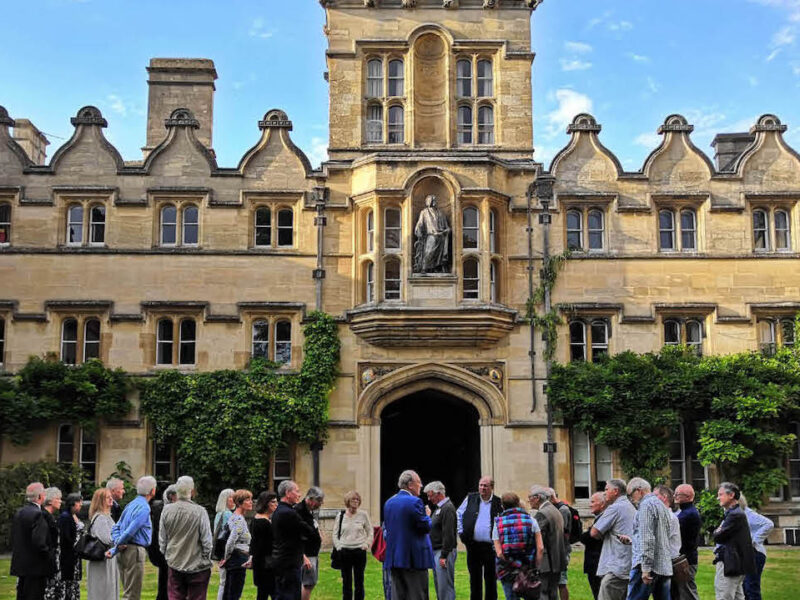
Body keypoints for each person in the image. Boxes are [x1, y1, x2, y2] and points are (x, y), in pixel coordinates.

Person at [384, 469, 435, 600]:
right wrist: (428, 516)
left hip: (395, 559)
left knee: (398, 595)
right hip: (414, 560)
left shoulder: (389, 503)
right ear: (410, 484)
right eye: (419, 482)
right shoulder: (415, 502)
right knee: (417, 595)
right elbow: (425, 527)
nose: (421, 486)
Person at [160, 476, 213, 600]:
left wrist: (167, 554)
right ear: (192, 491)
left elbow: (162, 539)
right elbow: (207, 541)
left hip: (175, 561)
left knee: (175, 596)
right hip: (197, 564)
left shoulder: (166, 510)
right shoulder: (200, 512)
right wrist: (205, 557)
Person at [109, 475, 157, 600]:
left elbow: (116, 527)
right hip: (134, 550)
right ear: (152, 491)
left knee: (127, 590)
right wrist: (115, 547)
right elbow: (130, 531)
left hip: (123, 549)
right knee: (132, 594)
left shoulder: (130, 504)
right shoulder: (144, 508)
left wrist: (116, 542)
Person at [623, 478, 672, 600]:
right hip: (664, 565)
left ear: (639, 491)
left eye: (630, 495)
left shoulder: (645, 506)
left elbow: (648, 538)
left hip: (646, 566)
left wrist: (645, 569)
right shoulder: (661, 505)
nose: (631, 499)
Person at [457, 475, 503, 600]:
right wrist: (461, 533)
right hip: (473, 546)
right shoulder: (470, 498)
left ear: (491, 488)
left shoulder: (498, 502)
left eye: (485, 486)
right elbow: (459, 514)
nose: (482, 488)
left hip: (490, 548)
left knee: (491, 580)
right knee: (474, 578)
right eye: (481, 485)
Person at [589, 478, 635, 600]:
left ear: (616, 491)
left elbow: (594, 532)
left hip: (616, 567)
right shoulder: (630, 506)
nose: (604, 493)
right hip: (628, 564)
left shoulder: (615, 508)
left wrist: (603, 533)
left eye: (606, 489)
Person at [492, 492, 542, 600]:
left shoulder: (498, 523)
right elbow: (540, 548)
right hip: (528, 567)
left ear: (502, 506)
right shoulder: (532, 521)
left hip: (507, 569)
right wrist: (536, 566)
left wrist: (513, 563)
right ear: (518, 504)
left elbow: (499, 552)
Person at [713, 482, 756, 600]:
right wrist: (719, 531)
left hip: (731, 563)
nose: (718, 498)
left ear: (731, 495)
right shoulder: (735, 514)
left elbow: (718, 536)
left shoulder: (735, 515)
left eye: (720, 494)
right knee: (737, 595)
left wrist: (718, 531)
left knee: (724, 594)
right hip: (737, 563)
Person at [272, 481, 315, 600]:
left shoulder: (278, 511)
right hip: (288, 564)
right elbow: (309, 531)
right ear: (287, 493)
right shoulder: (288, 513)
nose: (299, 494)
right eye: (297, 491)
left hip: (283, 561)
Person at [10, 482, 52, 600]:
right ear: (39, 497)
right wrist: (48, 554)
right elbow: (39, 542)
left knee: (22, 594)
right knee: (35, 595)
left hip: (21, 564)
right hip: (36, 566)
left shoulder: (19, 512)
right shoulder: (38, 514)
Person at [528, 485, 567, 600]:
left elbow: (537, 539)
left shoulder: (542, 513)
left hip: (547, 561)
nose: (529, 500)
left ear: (537, 497)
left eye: (530, 497)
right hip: (557, 559)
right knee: (553, 592)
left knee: (543, 593)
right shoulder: (554, 510)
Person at [332, 490, 372, 600]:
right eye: (353, 499)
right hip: (344, 552)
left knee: (359, 581)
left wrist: (366, 544)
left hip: (359, 551)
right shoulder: (340, 516)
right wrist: (339, 547)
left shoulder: (363, 514)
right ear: (347, 501)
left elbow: (370, 532)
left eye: (357, 500)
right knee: (346, 581)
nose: (356, 501)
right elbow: (335, 534)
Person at [424, 482, 457, 600]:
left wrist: (444, 555)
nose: (429, 499)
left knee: (445, 588)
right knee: (440, 586)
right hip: (437, 552)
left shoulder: (447, 508)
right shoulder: (440, 508)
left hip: (443, 552)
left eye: (430, 495)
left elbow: (448, 534)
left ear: (438, 494)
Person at [739, 493, 774, 600]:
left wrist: (755, 540)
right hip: (744, 555)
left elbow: (768, 524)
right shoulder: (735, 514)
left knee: (751, 587)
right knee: (744, 588)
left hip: (755, 554)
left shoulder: (748, 514)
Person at [86, 488, 119, 600]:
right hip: (102, 561)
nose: (111, 499)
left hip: (107, 559)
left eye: (111, 496)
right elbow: (107, 539)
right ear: (100, 501)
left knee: (108, 589)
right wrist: (121, 540)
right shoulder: (100, 518)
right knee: (102, 590)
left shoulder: (106, 516)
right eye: (107, 497)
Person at [220, 489, 253, 600]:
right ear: (239, 503)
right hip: (237, 558)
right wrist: (226, 557)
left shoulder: (236, 517)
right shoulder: (238, 519)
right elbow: (231, 540)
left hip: (236, 558)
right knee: (234, 593)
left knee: (230, 591)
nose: (251, 502)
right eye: (247, 500)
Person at [673, 485, 701, 600]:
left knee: (688, 593)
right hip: (687, 558)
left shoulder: (688, 514)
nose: (674, 496)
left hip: (686, 560)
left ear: (688, 497)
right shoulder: (687, 512)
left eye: (678, 494)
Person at [296, 487, 324, 600]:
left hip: (312, 553)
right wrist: (303, 556)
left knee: (311, 582)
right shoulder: (299, 511)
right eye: (319, 501)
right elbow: (296, 536)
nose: (321, 504)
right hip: (306, 554)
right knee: (308, 583)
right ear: (311, 500)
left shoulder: (308, 511)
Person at [149, 485, 177, 600]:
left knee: (166, 576)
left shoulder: (161, 508)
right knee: (166, 576)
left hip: (165, 548)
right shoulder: (162, 509)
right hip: (163, 548)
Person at [251, 491, 278, 600]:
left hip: (262, 563)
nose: (276, 504)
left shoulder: (260, 519)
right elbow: (264, 545)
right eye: (273, 502)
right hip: (266, 564)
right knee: (272, 592)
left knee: (263, 593)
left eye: (276, 501)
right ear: (266, 503)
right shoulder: (263, 522)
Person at [413, 194, 451, 273]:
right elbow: (420, 224)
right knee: (429, 251)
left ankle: (436, 267)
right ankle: (424, 267)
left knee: (439, 254)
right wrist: (418, 232)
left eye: (435, 200)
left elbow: (446, 226)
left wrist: (447, 230)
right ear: (428, 202)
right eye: (432, 200)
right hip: (431, 235)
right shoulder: (424, 212)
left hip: (441, 236)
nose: (434, 202)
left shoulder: (440, 213)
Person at [579, 492, 606, 600]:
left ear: (602, 504)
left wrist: (588, 532)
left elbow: (587, 538)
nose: (590, 505)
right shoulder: (599, 518)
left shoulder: (603, 519)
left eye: (593, 502)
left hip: (597, 563)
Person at [548, 488, 573, 600]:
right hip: (557, 550)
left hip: (561, 551)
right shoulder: (556, 509)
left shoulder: (563, 510)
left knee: (561, 582)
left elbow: (561, 531)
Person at [58, 493, 84, 600]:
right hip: (68, 556)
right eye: (79, 502)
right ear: (72, 503)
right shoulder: (65, 517)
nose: (81, 505)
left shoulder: (73, 516)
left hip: (75, 556)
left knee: (74, 583)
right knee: (68, 583)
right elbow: (66, 538)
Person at [213, 489, 235, 600]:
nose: (234, 500)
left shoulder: (219, 514)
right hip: (226, 553)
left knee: (223, 582)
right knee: (226, 582)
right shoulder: (227, 514)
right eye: (232, 497)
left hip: (220, 552)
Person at [42, 487, 63, 600]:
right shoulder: (45, 517)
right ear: (50, 501)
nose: (60, 501)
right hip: (48, 562)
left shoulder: (49, 517)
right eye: (58, 499)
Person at [654, 486, 681, 561]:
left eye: (655, 496)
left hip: (668, 562)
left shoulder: (669, 518)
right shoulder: (661, 516)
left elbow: (659, 540)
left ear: (664, 497)